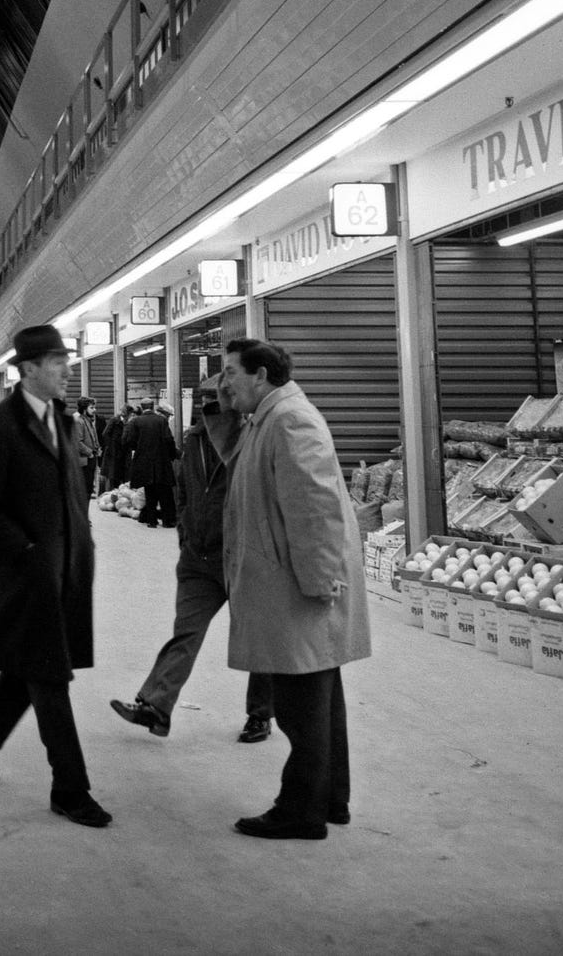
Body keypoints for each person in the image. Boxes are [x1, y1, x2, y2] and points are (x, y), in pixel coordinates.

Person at [203, 337, 371, 841]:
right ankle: (330, 799)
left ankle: (301, 810)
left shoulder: (291, 420)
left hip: (299, 590)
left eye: (231, 372)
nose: (223, 382)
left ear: (260, 374)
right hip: (289, 584)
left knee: (301, 709)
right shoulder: (266, 417)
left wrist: (321, 582)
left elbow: (314, 507)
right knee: (318, 703)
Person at [0, 324, 111, 829]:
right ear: (29, 369)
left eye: (67, 361)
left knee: (31, 667)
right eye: (57, 362)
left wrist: (79, 543)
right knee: (49, 679)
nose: (66, 371)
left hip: (66, 570)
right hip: (26, 575)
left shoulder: (61, 419)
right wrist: (28, 548)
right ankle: (71, 789)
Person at [109, 375, 274, 741]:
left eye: (214, 398)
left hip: (243, 559)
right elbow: (184, 490)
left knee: (257, 638)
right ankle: (156, 707)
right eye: (202, 399)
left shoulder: (252, 439)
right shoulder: (194, 439)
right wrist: (184, 532)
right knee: (185, 633)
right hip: (198, 559)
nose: (206, 405)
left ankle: (261, 714)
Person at [124, 398, 178, 528]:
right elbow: (168, 439)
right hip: (161, 461)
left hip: (144, 462)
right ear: (153, 406)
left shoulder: (136, 421)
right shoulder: (161, 421)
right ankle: (167, 521)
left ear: (142, 408)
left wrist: (138, 449)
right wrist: (172, 455)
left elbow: (129, 440)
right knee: (164, 492)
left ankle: (152, 521)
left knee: (149, 491)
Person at [73, 397, 101, 500]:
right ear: (84, 409)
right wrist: (89, 452)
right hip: (84, 460)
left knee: (88, 488)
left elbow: (93, 437)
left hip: (91, 458)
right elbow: (77, 441)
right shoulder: (79, 421)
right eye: (92, 407)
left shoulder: (88, 421)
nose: (94, 410)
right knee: (84, 489)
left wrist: (97, 448)